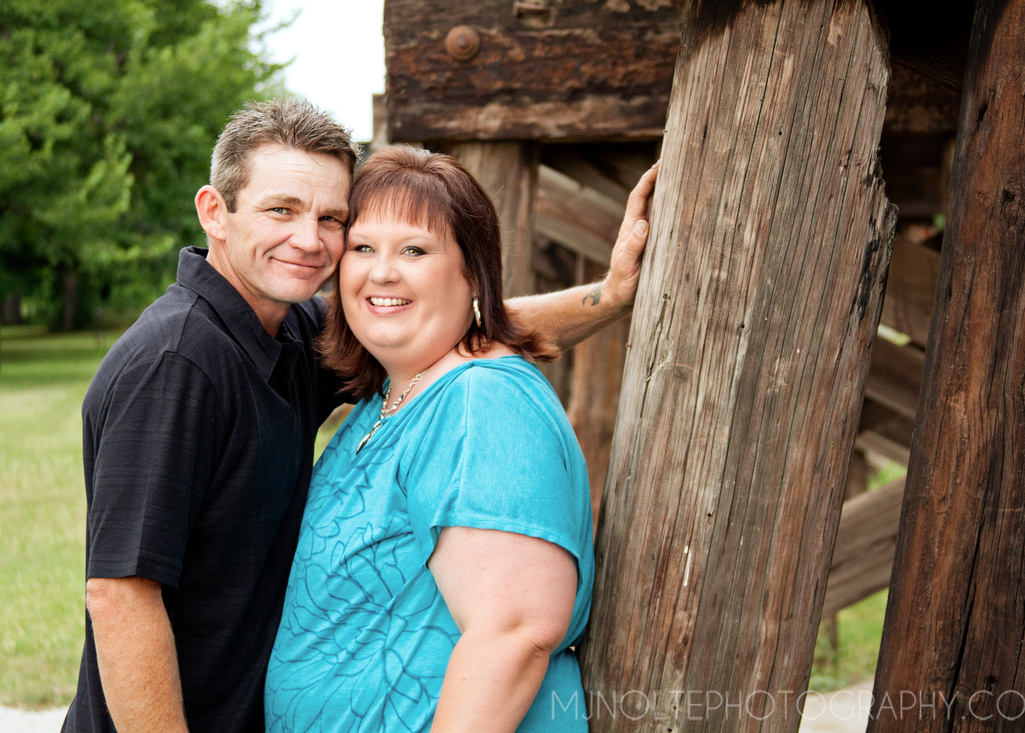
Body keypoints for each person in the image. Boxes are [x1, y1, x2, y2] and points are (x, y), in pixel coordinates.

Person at [64, 98, 656, 733]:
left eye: (331, 218)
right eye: (280, 210)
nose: (308, 238)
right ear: (215, 212)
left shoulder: (285, 338)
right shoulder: (178, 362)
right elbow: (121, 594)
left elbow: (429, 322)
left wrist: (608, 296)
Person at [265, 145, 611, 731]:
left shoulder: (481, 402)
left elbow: (514, 632)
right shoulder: (390, 395)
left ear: (473, 273)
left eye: (415, 251)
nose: (382, 272)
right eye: (363, 247)